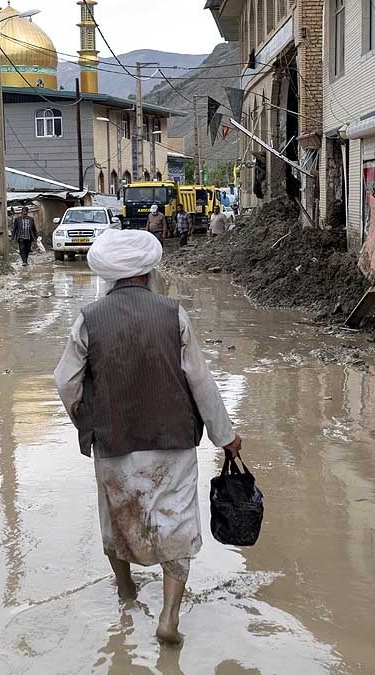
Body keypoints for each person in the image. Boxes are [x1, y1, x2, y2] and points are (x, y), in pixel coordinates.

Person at [54, 229, 242, 645]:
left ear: (110, 278)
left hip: (113, 446)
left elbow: (65, 383)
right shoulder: (174, 314)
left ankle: (125, 593)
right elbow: (201, 382)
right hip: (172, 444)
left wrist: (88, 422)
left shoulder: (89, 319)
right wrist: (224, 436)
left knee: (117, 519)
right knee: (176, 524)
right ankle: (169, 619)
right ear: (148, 273)